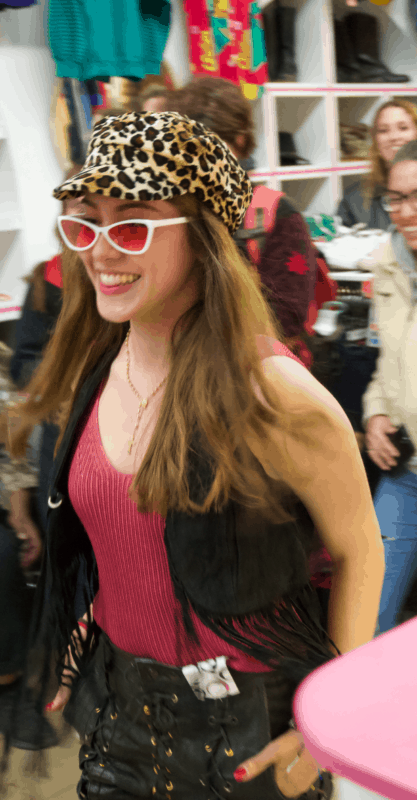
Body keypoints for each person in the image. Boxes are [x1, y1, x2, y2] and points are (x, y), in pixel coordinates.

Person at [1, 111, 383, 800]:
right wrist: (82, 622)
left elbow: (359, 547)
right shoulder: (98, 367)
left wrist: (326, 724)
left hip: (249, 723)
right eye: (86, 223)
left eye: (132, 225)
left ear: (205, 239)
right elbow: (123, 539)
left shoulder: (271, 394)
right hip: (119, 715)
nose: (99, 252)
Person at [165, 76, 319, 369]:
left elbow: (286, 317)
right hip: (181, 373)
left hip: (260, 378)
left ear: (239, 141)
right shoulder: (171, 210)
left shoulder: (276, 213)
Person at [363, 137, 417, 634]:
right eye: (396, 199)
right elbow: (388, 364)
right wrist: (376, 412)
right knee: (368, 606)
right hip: (407, 476)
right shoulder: (388, 263)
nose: (406, 211)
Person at [337, 99, 417, 230]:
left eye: (403, 128)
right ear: (375, 140)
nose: (394, 137)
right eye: (383, 130)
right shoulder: (354, 199)